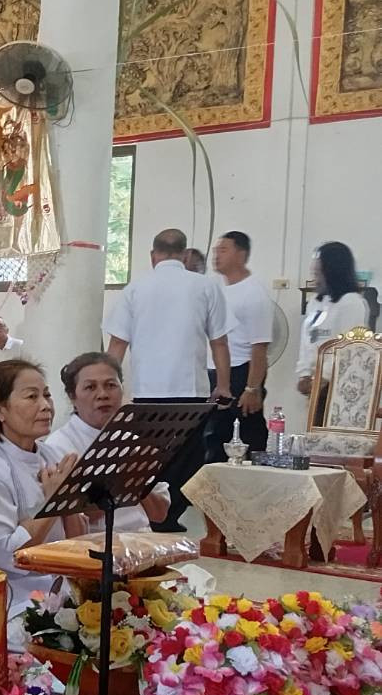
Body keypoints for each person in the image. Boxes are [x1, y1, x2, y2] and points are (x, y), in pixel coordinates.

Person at [105, 228, 231, 532]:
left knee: (149, 459)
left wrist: (108, 389)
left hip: (147, 393)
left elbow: (116, 346)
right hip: (191, 392)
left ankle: (153, 517)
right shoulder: (206, 286)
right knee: (189, 460)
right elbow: (220, 342)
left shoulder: (135, 289)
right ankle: (169, 515)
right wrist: (224, 386)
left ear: (153, 256)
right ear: (186, 255)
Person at [0, 361, 85, 631]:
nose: (46, 405)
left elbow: (77, 540)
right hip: (10, 600)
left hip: (64, 590)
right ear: (0, 409)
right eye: (32, 396)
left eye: (46, 395)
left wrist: (70, 499)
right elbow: (8, 555)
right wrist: (53, 502)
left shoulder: (51, 455)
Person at [44, 352, 171, 533]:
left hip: (142, 541)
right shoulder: (59, 446)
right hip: (96, 546)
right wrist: (120, 479)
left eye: (111, 385)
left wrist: (137, 482)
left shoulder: (132, 442)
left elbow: (160, 514)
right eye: (90, 387)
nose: (103, 394)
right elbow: (77, 522)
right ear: (72, 396)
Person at [208, 231, 271, 459]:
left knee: (246, 435)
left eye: (223, 250)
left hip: (241, 373)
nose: (217, 255)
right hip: (216, 372)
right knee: (216, 437)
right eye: (216, 251)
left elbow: (260, 346)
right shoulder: (216, 288)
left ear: (241, 254)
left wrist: (252, 388)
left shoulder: (254, 292)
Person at [297, 241, 371, 397]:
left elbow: (348, 347)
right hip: (314, 381)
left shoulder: (351, 303)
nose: (315, 276)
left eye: (318, 272)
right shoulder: (315, 302)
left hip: (340, 384)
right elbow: (308, 339)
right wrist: (303, 373)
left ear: (332, 270)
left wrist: (323, 377)